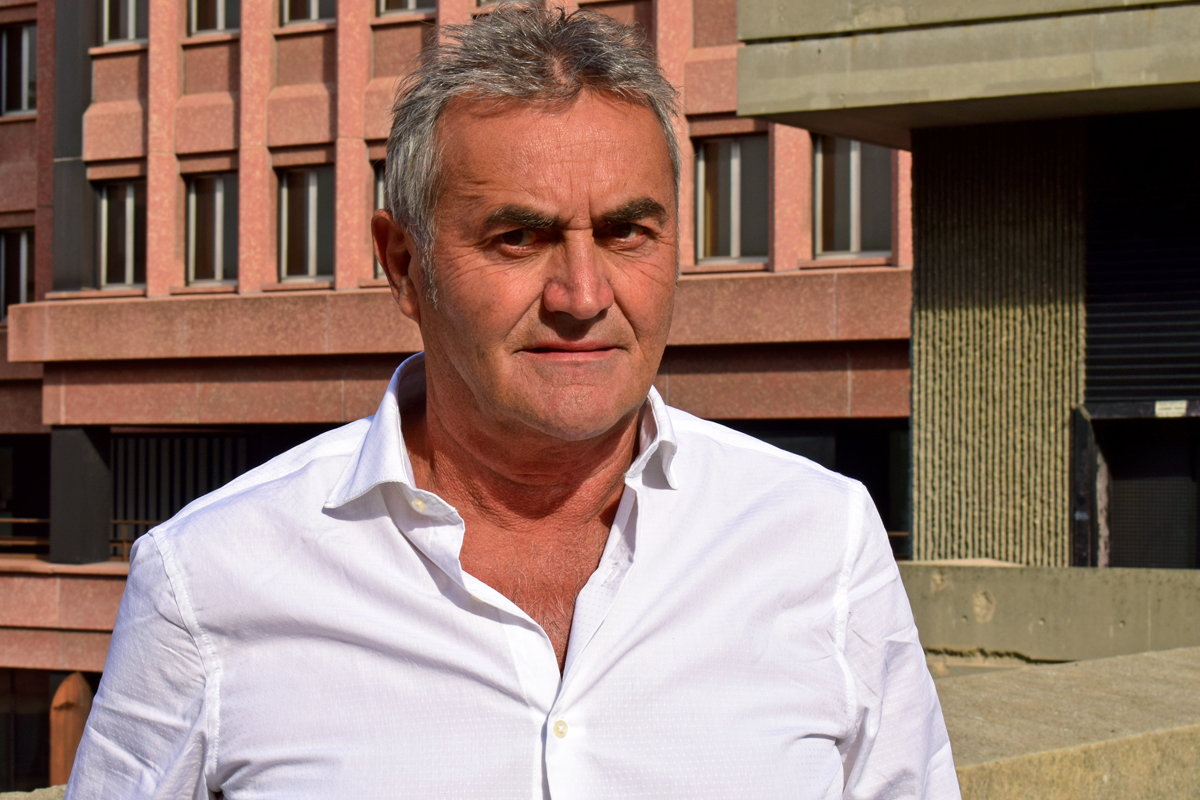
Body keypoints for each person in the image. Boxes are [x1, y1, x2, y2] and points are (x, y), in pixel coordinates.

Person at [66, 6, 959, 799]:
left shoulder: (820, 538)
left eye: (627, 232)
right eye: (521, 237)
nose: (582, 295)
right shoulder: (207, 578)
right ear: (405, 266)